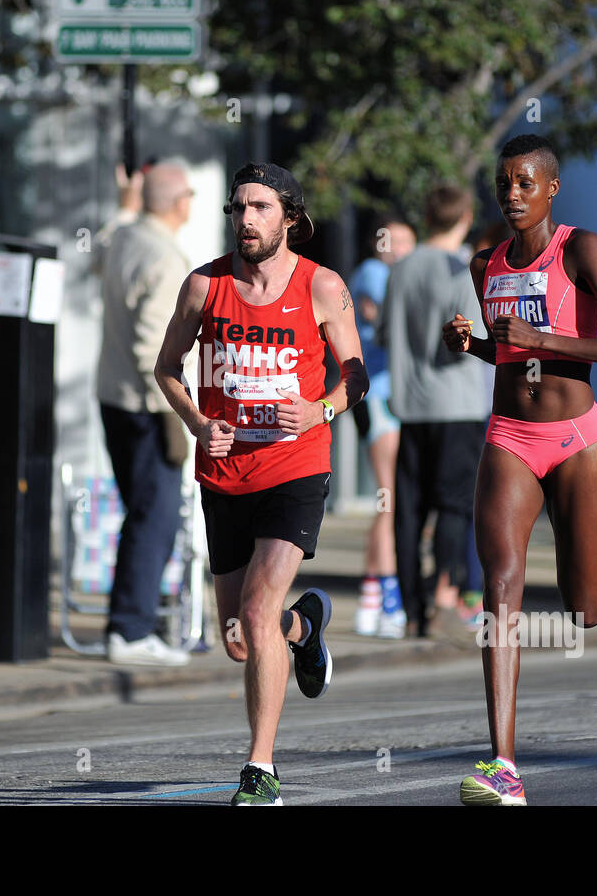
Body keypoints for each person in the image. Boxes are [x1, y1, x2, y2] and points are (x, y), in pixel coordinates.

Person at [444, 134, 597, 805]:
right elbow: (514, 358)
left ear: (550, 188)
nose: (512, 194)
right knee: (502, 582)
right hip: (510, 436)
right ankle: (503, 764)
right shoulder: (483, 262)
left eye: (524, 183)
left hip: (579, 440)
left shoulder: (582, 249)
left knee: (580, 607)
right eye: (503, 183)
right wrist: (476, 346)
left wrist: (542, 338)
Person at [154, 162, 368, 805]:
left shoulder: (322, 286)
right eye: (238, 207)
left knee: (255, 607)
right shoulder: (203, 285)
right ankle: (305, 627)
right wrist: (197, 421)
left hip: (295, 467)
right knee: (241, 640)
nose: (246, 219)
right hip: (224, 471)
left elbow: (355, 374)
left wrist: (320, 410)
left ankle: (260, 769)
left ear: (289, 219)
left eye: (260, 208)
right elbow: (167, 368)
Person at [97, 161, 195, 666]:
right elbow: (150, 349)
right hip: (146, 406)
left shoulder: (126, 238)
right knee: (154, 517)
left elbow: (95, 253)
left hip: (115, 399)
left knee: (143, 514)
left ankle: (131, 622)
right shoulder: (162, 255)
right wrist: (175, 413)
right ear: (181, 203)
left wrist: (123, 207)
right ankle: (131, 630)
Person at [381, 186, 489, 640]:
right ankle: (446, 596)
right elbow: (468, 342)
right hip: (459, 405)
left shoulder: (401, 268)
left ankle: (412, 611)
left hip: (411, 406)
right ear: (465, 215)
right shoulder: (462, 268)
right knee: (454, 504)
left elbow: (385, 333)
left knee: (408, 510)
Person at [350, 216, 415, 637]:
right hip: (378, 397)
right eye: (404, 242)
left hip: (392, 396)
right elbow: (386, 325)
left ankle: (371, 594)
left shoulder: (387, 274)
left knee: (390, 497)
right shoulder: (375, 273)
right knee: (387, 496)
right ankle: (389, 597)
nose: (410, 250)